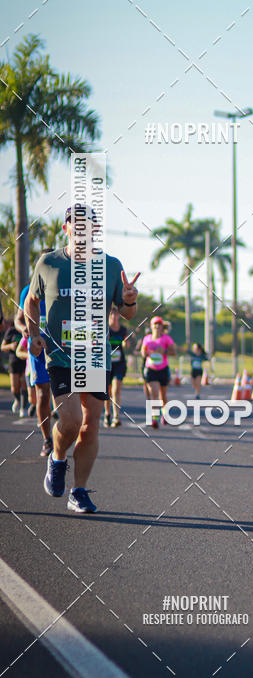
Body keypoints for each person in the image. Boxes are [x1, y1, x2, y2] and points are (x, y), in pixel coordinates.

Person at [25, 205, 139, 513]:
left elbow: (126, 313)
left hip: (95, 356)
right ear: (66, 229)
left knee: (91, 425)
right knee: (72, 420)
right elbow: (31, 303)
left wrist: (130, 300)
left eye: (88, 226)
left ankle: (79, 490)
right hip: (61, 356)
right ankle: (58, 458)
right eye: (76, 226)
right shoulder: (48, 263)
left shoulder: (111, 266)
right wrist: (33, 334)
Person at [16, 281, 54, 455]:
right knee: (43, 393)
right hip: (37, 349)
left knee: (68, 394)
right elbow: (18, 319)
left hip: (61, 348)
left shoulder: (63, 286)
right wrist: (25, 328)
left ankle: (66, 433)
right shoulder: (28, 291)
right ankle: (47, 440)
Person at [141, 316, 176, 427]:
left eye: (159, 324)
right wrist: (146, 352)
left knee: (163, 396)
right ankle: (155, 417)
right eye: (154, 324)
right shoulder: (147, 338)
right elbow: (142, 353)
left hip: (163, 369)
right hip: (151, 369)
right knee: (154, 393)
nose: (156, 326)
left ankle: (164, 415)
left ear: (162, 327)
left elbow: (174, 352)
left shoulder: (166, 339)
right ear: (151, 326)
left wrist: (164, 351)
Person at [104, 308, 129, 427]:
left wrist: (126, 343)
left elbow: (127, 342)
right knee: (107, 391)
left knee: (116, 390)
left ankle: (116, 416)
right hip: (106, 363)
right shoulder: (104, 328)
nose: (114, 316)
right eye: (111, 313)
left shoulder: (123, 329)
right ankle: (107, 414)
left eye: (116, 314)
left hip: (119, 363)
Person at [2, 319, 28, 417]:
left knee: (24, 384)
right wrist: (10, 346)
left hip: (24, 361)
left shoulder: (28, 330)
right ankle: (17, 399)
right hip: (13, 361)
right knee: (14, 386)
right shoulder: (11, 331)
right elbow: (2, 347)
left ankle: (23, 408)